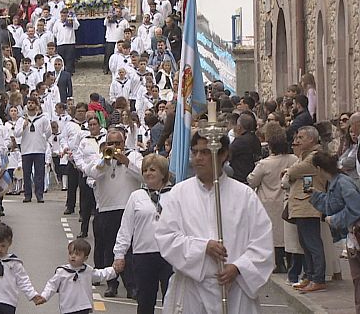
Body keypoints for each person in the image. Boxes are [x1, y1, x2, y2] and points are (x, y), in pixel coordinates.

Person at [155, 131, 274, 313]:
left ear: (223, 154)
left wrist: (238, 267)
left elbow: (262, 242)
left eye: (205, 152)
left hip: (234, 291)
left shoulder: (244, 196)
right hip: (192, 291)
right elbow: (166, 237)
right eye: (195, 152)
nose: (198, 158)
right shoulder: (179, 194)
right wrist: (202, 247)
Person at [81, 128, 142, 298]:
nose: (114, 147)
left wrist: (125, 160)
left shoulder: (134, 156)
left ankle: (131, 286)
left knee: (128, 250)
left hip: (128, 208)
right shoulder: (101, 159)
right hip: (107, 209)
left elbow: (142, 175)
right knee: (109, 249)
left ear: (124, 143)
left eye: (118, 143)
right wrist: (105, 161)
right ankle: (111, 284)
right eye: (111, 143)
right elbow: (90, 173)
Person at [113, 154, 174, 313]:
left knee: (171, 301)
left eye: (152, 170)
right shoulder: (136, 196)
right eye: (145, 170)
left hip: (169, 254)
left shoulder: (175, 195)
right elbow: (126, 227)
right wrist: (119, 254)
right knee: (145, 302)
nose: (148, 173)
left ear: (163, 173)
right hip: (143, 256)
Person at [309, 152, 360, 310]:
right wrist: (315, 196)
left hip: (356, 233)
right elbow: (332, 205)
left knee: (358, 277)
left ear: (319, 168)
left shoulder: (343, 183)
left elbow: (355, 209)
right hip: (352, 235)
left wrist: (334, 219)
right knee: (357, 278)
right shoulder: (336, 182)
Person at [246, 124, 298, 274]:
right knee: (286, 232)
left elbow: (252, 180)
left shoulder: (264, 163)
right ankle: (291, 261)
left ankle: (277, 262)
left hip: (268, 201)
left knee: (274, 233)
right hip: (286, 199)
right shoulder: (293, 159)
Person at [283, 126, 327, 292]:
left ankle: (318, 278)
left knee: (312, 243)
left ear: (311, 139)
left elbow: (294, 171)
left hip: (309, 205)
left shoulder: (314, 157)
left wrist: (288, 172)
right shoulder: (304, 157)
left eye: (301, 137)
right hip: (301, 206)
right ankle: (309, 276)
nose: (297, 141)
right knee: (305, 244)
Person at [40, 239, 117, 314]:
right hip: (68, 308)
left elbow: (100, 274)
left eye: (77, 254)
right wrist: (44, 296)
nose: (73, 256)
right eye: (70, 253)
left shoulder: (87, 270)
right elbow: (52, 285)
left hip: (83, 306)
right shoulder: (62, 272)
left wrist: (114, 270)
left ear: (85, 258)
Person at [14, 97, 52, 203]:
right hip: (26, 149)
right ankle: (27, 195)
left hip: (39, 149)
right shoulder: (21, 119)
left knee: (39, 173)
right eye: (29, 103)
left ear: (36, 105)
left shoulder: (43, 118)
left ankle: (39, 194)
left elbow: (48, 132)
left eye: (32, 103)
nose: (30, 105)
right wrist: (23, 126)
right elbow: (16, 133)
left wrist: (43, 139)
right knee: (26, 173)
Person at [229, 113, 262, 183]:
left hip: (241, 178)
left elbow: (228, 153)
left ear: (239, 127)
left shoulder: (240, 141)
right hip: (252, 174)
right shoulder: (255, 138)